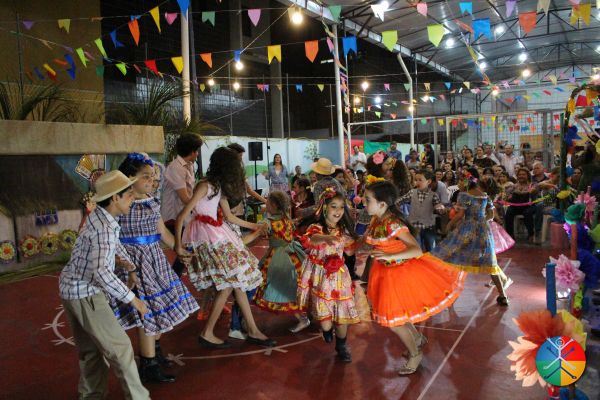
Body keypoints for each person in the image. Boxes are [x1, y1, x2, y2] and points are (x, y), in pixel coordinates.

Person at [59, 170, 150, 400]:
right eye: (129, 195)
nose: (133, 198)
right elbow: (101, 272)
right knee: (121, 349)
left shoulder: (101, 216)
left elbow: (113, 245)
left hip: (72, 290)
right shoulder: (104, 228)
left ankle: (92, 395)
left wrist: (129, 265)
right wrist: (133, 299)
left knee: (91, 352)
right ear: (115, 198)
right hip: (86, 293)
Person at [111, 154, 199, 384]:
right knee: (145, 311)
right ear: (129, 178)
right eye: (146, 176)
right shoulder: (121, 204)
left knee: (157, 307)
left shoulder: (151, 201)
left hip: (154, 261)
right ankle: (148, 363)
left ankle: (155, 351)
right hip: (133, 263)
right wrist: (124, 264)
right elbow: (112, 238)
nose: (151, 181)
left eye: (153, 177)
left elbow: (161, 231)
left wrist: (179, 248)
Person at [175, 147, 275, 349]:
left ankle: (252, 330)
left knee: (236, 280)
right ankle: (208, 333)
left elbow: (229, 217)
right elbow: (182, 215)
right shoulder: (205, 185)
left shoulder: (217, 186)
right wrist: (178, 245)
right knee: (230, 280)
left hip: (216, 232)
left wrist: (254, 226)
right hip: (204, 236)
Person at [363, 181, 465, 375]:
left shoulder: (393, 223)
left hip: (398, 274)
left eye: (368, 200)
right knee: (398, 314)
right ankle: (417, 339)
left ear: (382, 204)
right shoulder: (376, 219)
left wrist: (390, 257)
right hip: (383, 272)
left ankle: (415, 354)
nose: (363, 202)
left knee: (394, 321)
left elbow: (416, 250)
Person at [431, 168, 513, 306]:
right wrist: (481, 221)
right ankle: (503, 295)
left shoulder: (465, 196)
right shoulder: (485, 196)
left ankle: (451, 294)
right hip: (483, 230)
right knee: (490, 262)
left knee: (456, 257)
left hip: (467, 229)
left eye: (460, 181)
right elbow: (491, 215)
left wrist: (450, 224)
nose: (459, 184)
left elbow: (460, 214)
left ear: (466, 182)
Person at [297, 187, 359, 363]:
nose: (338, 211)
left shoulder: (343, 230)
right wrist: (326, 238)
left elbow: (350, 251)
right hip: (321, 277)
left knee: (342, 315)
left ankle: (342, 346)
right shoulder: (316, 228)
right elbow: (312, 239)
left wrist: (366, 240)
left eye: (341, 207)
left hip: (339, 277)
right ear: (324, 207)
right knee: (325, 320)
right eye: (334, 206)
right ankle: (326, 329)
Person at [253, 191, 309, 333]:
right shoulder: (286, 218)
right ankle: (304, 314)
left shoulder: (269, 221)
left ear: (273, 205)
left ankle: (302, 318)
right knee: (295, 285)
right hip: (294, 253)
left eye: (267, 202)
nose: (265, 204)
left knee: (282, 286)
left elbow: (259, 232)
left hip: (280, 257)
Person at [162, 133, 203, 276]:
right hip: (173, 217)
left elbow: (190, 195)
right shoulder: (176, 168)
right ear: (192, 151)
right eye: (196, 150)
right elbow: (185, 198)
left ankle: (175, 278)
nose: (197, 154)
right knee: (186, 249)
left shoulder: (189, 166)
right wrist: (203, 206)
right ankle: (173, 279)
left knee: (188, 249)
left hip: (185, 215)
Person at [395, 170, 445, 252]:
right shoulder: (412, 192)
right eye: (416, 180)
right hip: (414, 226)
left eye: (420, 180)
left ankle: (430, 259)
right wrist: (400, 214)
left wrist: (441, 209)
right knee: (416, 247)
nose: (417, 182)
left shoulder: (433, 195)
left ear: (428, 181)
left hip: (429, 226)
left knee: (431, 248)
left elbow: (439, 208)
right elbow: (398, 202)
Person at [503, 167, 538, 242]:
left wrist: (527, 192)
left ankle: (531, 234)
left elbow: (534, 191)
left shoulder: (532, 185)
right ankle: (510, 235)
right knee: (509, 211)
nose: (521, 176)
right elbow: (506, 197)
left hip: (529, 206)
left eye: (523, 174)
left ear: (528, 175)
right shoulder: (514, 186)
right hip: (516, 206)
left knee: (527, 212)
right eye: (519, 174)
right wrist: (509, 196)